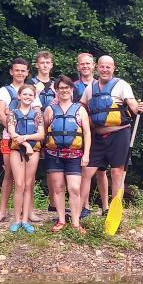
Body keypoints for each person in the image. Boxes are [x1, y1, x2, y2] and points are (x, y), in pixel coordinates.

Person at [79, 55, 143, 220]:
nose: (105, 69)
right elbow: (81, 106)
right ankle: (81, 208)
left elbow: (132, 105)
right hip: (98, 136)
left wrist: (139, 108)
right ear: (97, 68)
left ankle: (115, 211)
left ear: (113, 68)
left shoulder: (121, 85)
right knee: (86, 171)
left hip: (119, 134)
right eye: (102, 66)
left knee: (117, 173)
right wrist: (86, 121)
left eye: (108, 67)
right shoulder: (90, 88)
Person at [0, 58, 42, 223]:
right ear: (11, 71)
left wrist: (25, 137)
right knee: (9, 174)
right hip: (10, 137)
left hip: (29, 138)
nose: (20, 73)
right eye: (17, 70)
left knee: (30, 178)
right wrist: (16, 135)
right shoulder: (4, 91)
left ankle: (29, 211)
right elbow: (1, 115)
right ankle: (2, 211)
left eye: (23, 70)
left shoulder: (30, 91)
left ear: (28, 72)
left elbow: (36, 115)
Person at [43, 75, 91, 231]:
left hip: (74, 155)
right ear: (56, 91)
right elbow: (44, 131)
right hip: (53, 154)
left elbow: (87, 133)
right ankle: (62, 220)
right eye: (60, 88)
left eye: (67, 88)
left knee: (74, 188)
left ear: (72, 90)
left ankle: (76, 222)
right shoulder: (50, 110)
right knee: (58, 188)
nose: (63, 91)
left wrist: (86, 154)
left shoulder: (80, 109)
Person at [73, 51, 108, 218]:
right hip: (81, 133)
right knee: (83, 168)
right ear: (78, 66)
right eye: (82, 64)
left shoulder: (102, 83)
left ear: (94, 66)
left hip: (101, 131)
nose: (85, 66)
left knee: (101, 171)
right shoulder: (73, 86)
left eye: (88, 63)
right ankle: (84, 206)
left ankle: (105, 206)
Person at [7, 82, 45, 233]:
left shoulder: (37, 115)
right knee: (20, 185)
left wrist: (27, 139)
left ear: (34, 97)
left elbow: (41, 134)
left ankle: (25, 220)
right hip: (17, 151)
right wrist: (26, 145)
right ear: (19, 96)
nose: (27, 97)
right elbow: (12, 133)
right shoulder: (12, 113)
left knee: (29, 185)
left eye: (31, 95)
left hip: (33, 152)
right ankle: (16, 219)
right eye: (25, 94)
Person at [31, 50, 57, 213]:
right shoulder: (31, 83)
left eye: (48, 63)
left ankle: (53, 203)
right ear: (37, 65)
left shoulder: (57, 85)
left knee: (52, 167)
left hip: (53, 130)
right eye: (42, 63)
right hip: (33, 130)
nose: (45, 65)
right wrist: (37, 92)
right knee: (30, 168)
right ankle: (29, 205)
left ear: (51, 65)